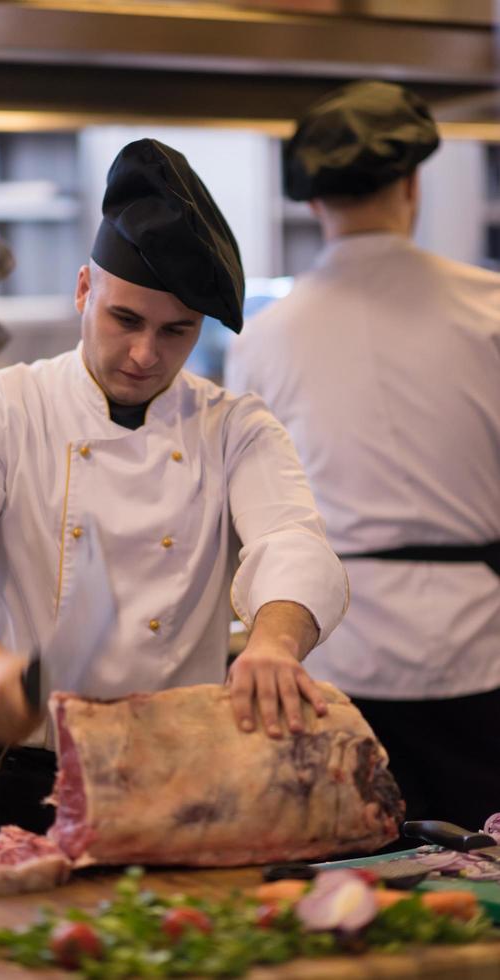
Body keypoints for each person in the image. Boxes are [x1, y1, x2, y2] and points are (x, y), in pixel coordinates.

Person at [0, 138, 348, 847]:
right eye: (125, 319)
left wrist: (276, 643)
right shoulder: (8, 407)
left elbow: (291, 540)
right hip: (7, 771)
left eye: (176, 332)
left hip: (170, 770)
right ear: (83, 291)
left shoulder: (233, 427)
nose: (144, 355)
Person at [225, 81, 500, 832]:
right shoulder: (490, 310)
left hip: (332, 657)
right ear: (413, 184)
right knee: (486, 875)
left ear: (313, 202)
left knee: (356, 885)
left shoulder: (260, 340)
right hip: (478, 649)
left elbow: (251, 515)